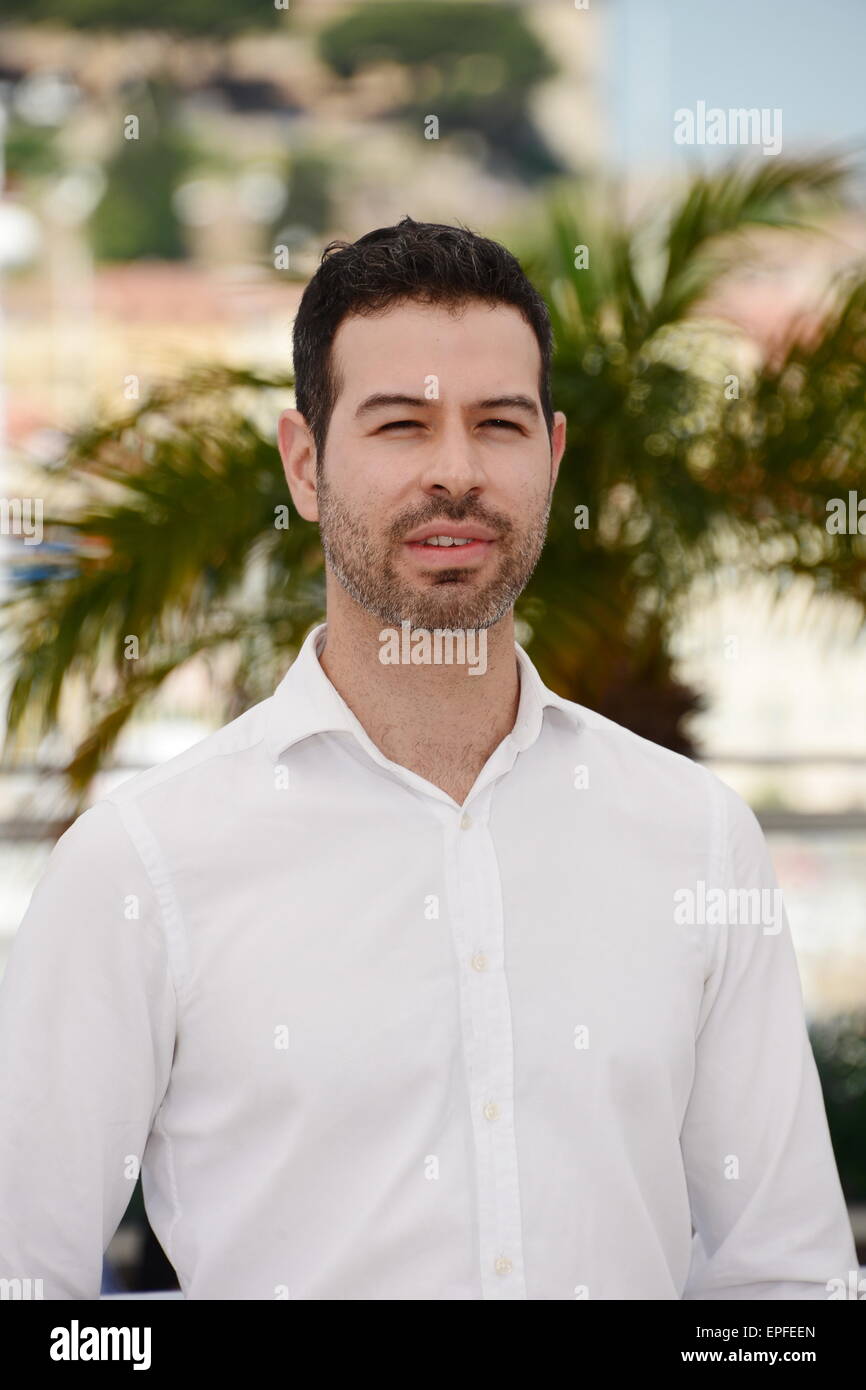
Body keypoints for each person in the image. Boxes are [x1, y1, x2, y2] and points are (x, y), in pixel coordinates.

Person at [0, 217, 857, 1300]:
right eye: (400, 424)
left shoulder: (696, 839)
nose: (455, 473)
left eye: (496, 424)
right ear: (306, 464)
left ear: (548, 458)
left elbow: (782, 1283)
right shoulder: (140, 866)